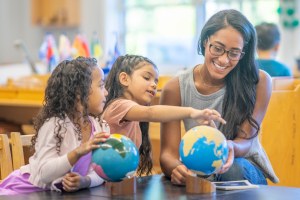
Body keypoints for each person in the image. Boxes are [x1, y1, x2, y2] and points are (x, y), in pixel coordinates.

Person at [159, 9, 279, 186]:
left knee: (232, 169)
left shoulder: (258, 82)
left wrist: (229, 146)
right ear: (205, 41)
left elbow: (246, 142)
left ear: (243, 53)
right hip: (200, 173)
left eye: (234, 53)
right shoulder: (175, 88)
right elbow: (167, 155)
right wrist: (176, 169)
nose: (223, 60)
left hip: (244, 170)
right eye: (218, 48)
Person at [0, 57, 110, 195]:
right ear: (79, 92)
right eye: (101, 85)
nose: (106, 92)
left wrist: (85, 181)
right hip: (25, 190)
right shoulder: (55, 124)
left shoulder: (101, 126)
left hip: (60, 194)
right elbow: (44, 174)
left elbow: (102, 171)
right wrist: (78, 152)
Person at [103, 54, 226, 177]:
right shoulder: (117, 106)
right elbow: (150, 113)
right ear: (124, 79)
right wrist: (191, 112)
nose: (154, 85)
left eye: (156, 81)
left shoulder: (133, 115)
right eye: (147, 78)